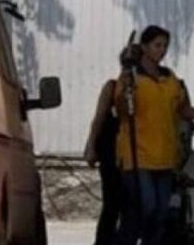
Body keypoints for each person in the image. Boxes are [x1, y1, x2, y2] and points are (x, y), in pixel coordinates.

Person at [113, 25, 194, 245]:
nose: (162, 50)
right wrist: (126, 84)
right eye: (157, 45)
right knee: (147, 206)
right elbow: (121, 110)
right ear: (144, 47)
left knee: (162, 212)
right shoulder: (132, 78)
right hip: (138, 157)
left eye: (165, 46)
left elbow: (182, 109)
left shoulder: (169, 78)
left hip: (165, 157)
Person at [83, 55, 124, 245]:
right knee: (112, 202)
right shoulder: (112, 88)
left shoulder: (145, 88)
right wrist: (91, 146)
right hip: (110, 152)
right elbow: (99, 118)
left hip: (137, 155)